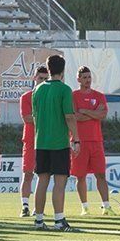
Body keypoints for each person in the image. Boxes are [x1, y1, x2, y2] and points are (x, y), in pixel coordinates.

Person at [32, 55, 80, 231]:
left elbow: (35, 117)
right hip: (58, 142)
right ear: (63, 69)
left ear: (48, 68)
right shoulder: (65, 89)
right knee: (60, 182)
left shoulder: (37, 90)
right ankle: (59, 220)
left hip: (41, 141)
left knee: (41, 180)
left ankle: (38, 220)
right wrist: (76, 139)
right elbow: (69, 116)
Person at [71, 66, 115, 216]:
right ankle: (85, 207)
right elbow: (75, 116)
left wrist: (85, 111)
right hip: (79, 141)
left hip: (96, 141)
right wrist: (93, 113)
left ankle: (106, 206)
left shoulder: (99, 95)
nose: (87, 80)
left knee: (101, 174)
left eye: (89, 77)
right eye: (84, 77)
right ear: (78, 79)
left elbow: (102, 115)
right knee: (80, 176)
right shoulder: (73, 96)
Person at [18, 66, 48, 217]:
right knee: (28, 174)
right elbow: (27, 118)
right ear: (34, 78)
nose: (42, 81)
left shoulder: (50, 97)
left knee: (43, 175)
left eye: (45, 79)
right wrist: (47, 118)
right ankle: (25, 206)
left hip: (46, 140)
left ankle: (39, 207)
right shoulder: (26, 97)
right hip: (30, 140)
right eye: (40, 78)